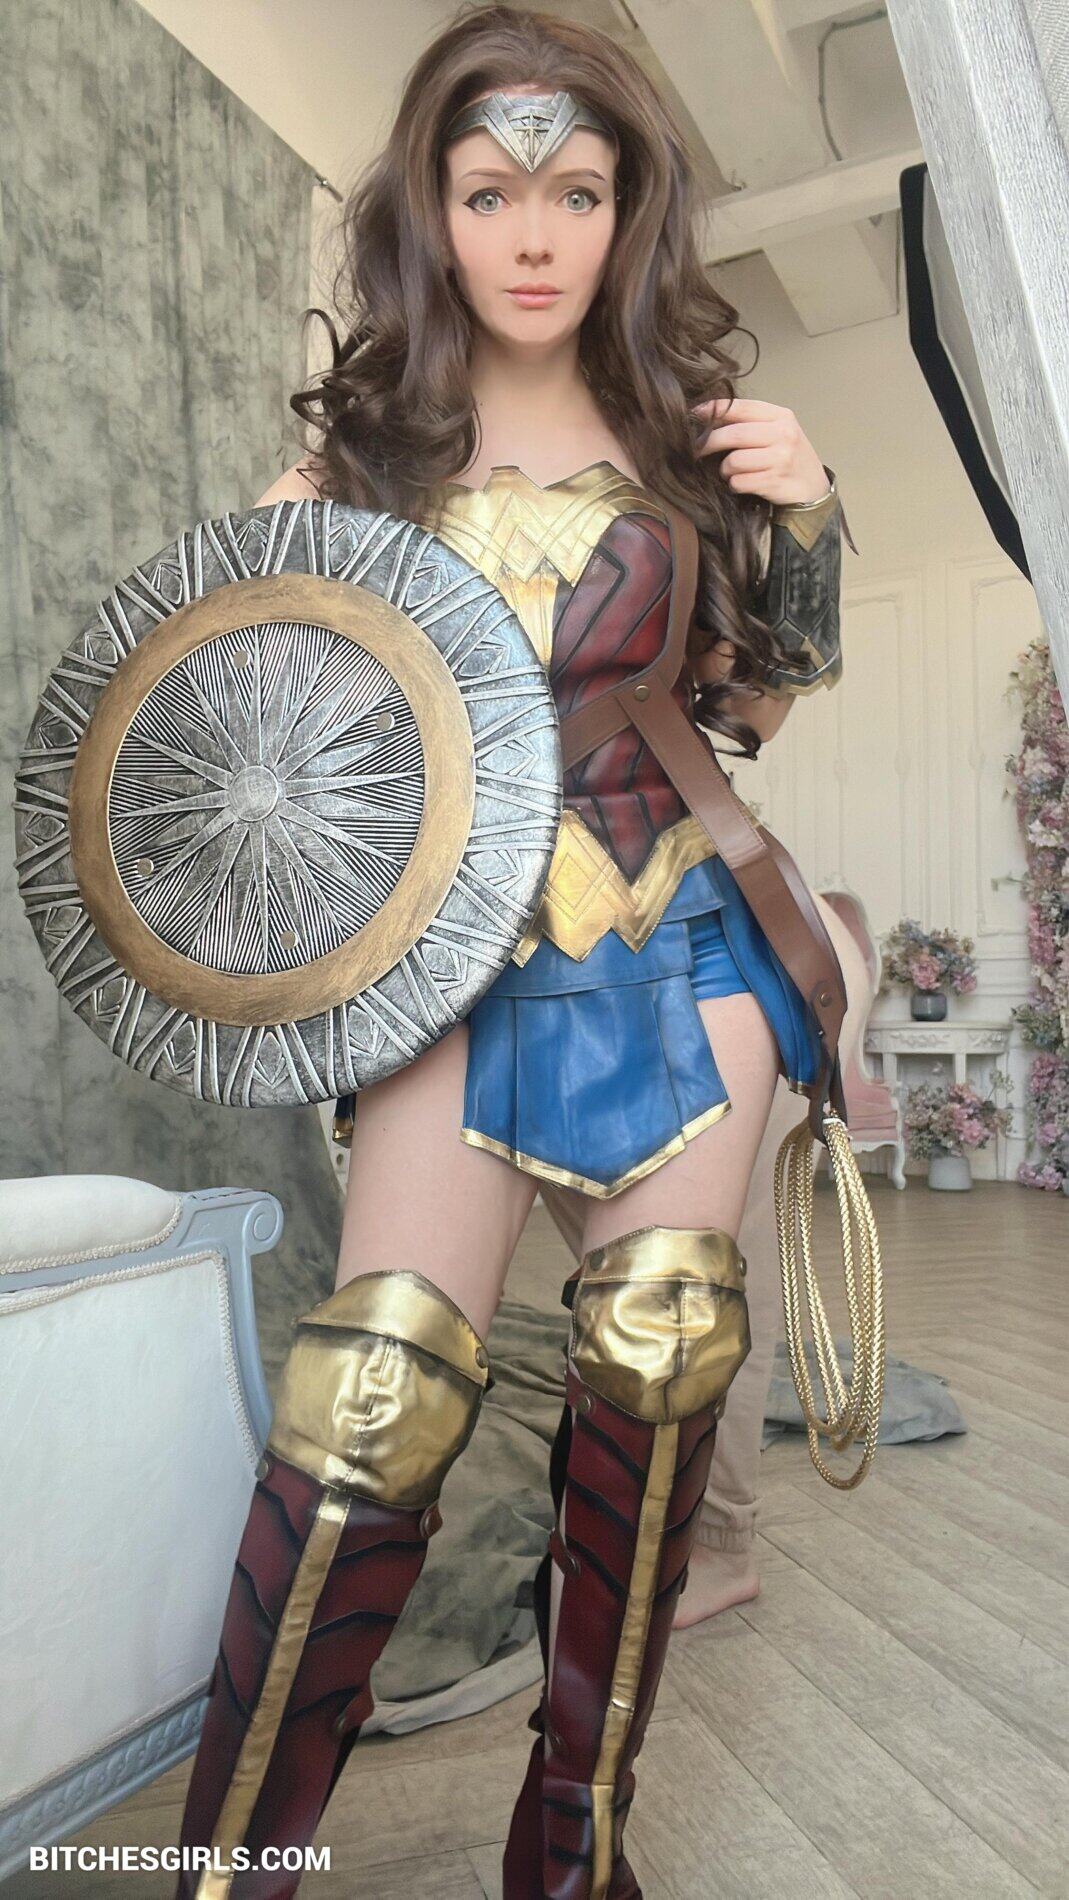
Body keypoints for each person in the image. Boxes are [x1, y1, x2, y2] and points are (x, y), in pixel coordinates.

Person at [173, 9, 852, 1897]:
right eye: (489, 193)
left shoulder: (693, 445)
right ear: (434, 208)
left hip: (673, 942)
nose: (533, 234)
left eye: (575, 191)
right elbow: (267, 771)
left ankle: (571, 1852)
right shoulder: (356, 465)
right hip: (447, 969)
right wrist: (263, 590)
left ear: (626, 209)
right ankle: (220, 1872)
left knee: (662, 1353)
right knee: (369, 1396)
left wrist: (799, 516)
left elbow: (758, 704)